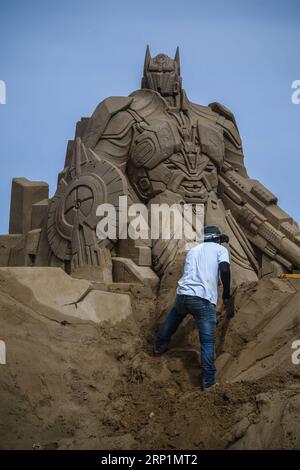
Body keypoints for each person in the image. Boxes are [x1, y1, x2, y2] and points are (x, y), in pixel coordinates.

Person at [154, 225, 231, 390]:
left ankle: (159, 346)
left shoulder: (194, 250)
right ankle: (209, 382)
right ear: (217, 239)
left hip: (183, 294)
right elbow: (224, 269)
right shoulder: (220, 250)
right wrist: (226, 293)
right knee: (208, 342)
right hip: (203, 299)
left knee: (174, 317)